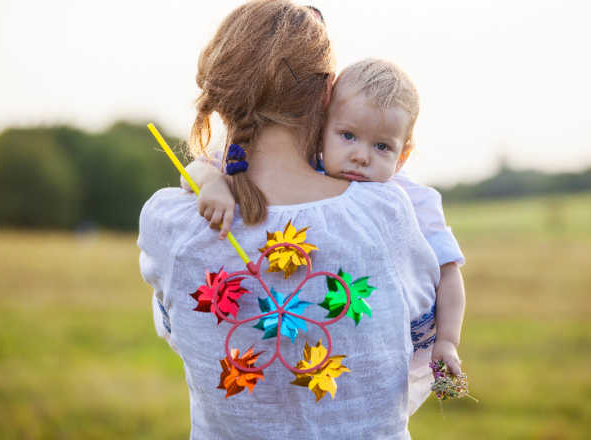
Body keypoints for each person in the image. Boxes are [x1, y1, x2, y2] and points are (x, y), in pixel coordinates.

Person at [138, 1, 447, 438]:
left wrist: (205, 176)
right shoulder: (382, 214)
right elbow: (416, 340)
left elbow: (180, 334)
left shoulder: (171, 224)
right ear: (326, 93)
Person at [185, 58, 467, 403]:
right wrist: (212, 183)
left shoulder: (412, 200)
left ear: (403, 154)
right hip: (307, 338)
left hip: (383, 348)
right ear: (321, 128)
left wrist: (448, 341)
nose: (361, 156)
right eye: (348, 136)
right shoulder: (302, 167)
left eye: (382, 147)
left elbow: (448, 272)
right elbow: (199, 166)